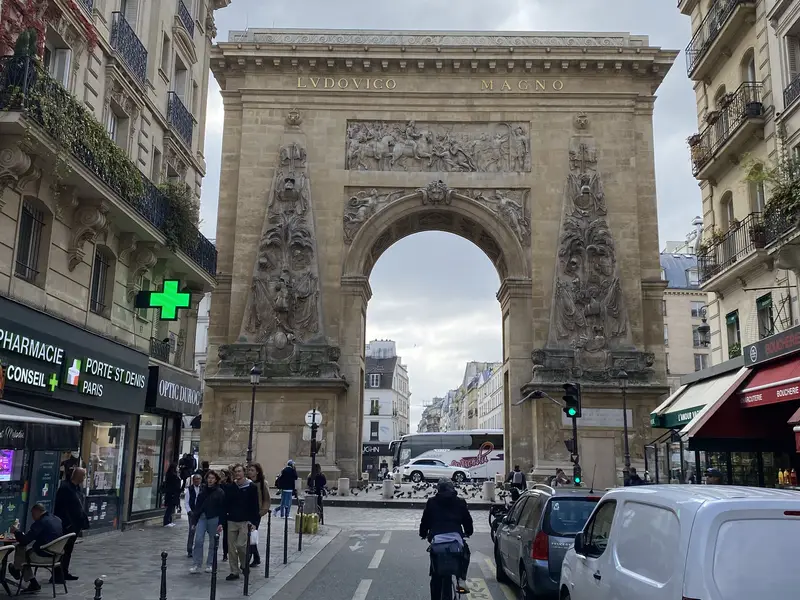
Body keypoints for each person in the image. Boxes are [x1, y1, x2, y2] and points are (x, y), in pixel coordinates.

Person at [419, 479, 474, 599]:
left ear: (438, 489)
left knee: (435, 575)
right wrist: (468, 532)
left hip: (437, 540)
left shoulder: (432, 502)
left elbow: (425, 522)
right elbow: (468, 521)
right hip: (455, 540)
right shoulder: (460, 502)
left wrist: (423, 533)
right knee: (465, 553)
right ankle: (461, 578)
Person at [8, 503, 63, 593]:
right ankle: (16, 569)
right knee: (23, 553)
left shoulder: (41, 522)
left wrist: (16, 531)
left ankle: (18, 570)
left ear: (37, 512)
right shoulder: (56, 519)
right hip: (57, 555)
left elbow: (25, 541)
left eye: (33, 514)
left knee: (21, 550)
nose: (33, 517)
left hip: (44, 555)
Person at [222, 464, 259, 581]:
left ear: (244, 473)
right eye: (236, 472)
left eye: (239, 471)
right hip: (232, 520)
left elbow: (255, 505)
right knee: (231, 548)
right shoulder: (231, 487)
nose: (238, 473)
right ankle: (234, 571)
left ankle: (244, 564)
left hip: (245, 521)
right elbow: (226, 503)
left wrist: (254, 522)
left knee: (241, 545)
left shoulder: (251, 487)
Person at [53, 466, 89, 582]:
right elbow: (60, 507)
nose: (84, 478)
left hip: (75, 525)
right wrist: (67, 523)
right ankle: (57, 574)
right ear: (78, 476)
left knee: (68, 550)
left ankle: (64, 571)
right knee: (62, 550)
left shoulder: (77, 488)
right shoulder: (65, 488)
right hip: (67, 525)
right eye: (83, 475)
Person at [190, 470, 225, 574]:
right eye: (209, 478)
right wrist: (194, 522)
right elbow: (197, 507)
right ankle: (197, 564)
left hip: (214, 518)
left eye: (212, 478)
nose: (210, 480)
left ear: (216, 480)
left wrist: (221, 523)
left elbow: (222, 508)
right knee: (198, 540)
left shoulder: (220, 492)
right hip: (202, 517)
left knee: (213, 542)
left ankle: (210, 564)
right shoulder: (202, 491)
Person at [246, 463, 270, 567]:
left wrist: (262, 511)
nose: (250, 472)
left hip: (256, 513)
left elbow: (266, 498)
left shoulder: (262, 483)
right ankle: (256, 557)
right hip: (247, 511)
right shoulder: (247, 482)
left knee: (251, 534)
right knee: (250, 535)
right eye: (249, 470)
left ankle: (248, 558)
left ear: (257, 472)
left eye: (252, 470)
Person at [185, 473, 203, 557]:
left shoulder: (203, 489)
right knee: (192, 531)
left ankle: (198, 549)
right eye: (196, 479)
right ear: (193, 480)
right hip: (192, 512)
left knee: (200, 532)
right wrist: (189, 511)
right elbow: (186, 502)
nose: (197, 480)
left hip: (200, 513)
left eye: (199, 479)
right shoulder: (190, 489)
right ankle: (189, 549)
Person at [162, 463, 182, 527]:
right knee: (170, 508)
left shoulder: (173, 475)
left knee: (171, 508)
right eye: (177, 467)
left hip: (172, 494)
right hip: (172, 494)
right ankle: (166, 522)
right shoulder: (172, 476)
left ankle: (169, 521)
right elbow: (175, 485)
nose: (178, 468)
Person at [218, 469, 231, 561]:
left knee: (227, 534)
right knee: (225, 535)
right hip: (221, 512)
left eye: (222, 475)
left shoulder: (229, 486)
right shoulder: (219, 485)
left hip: (228, 512)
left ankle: (227, 552)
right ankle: (225, 553)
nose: (221, 477)